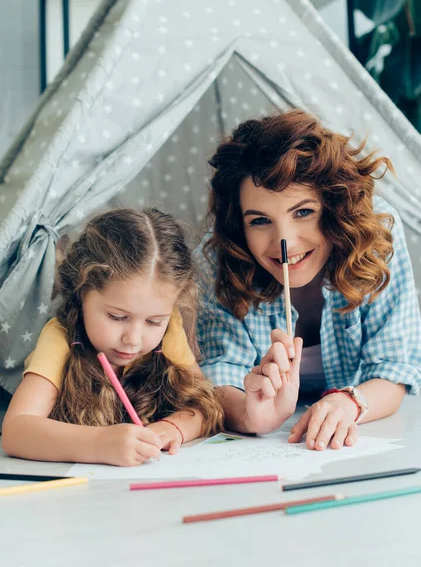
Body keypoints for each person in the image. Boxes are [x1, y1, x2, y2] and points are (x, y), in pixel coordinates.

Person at [195, 109, 421, 451]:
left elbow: (394, 369)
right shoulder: (218, 259)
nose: (284, 244)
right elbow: (219, 371)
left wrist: (348, 403)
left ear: (333, 207)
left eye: (303, 212)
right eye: (259, 221)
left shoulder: (377, 238)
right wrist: (250, 415)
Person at [2, 208, 223, 466]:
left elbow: (204, 405)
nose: (133, 339)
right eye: (117, 317)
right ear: (83, 292)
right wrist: (99, 444)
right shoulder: (59, 337)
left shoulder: (170, 329)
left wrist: (172, 428)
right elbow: (16, 431)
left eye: (153, 321)